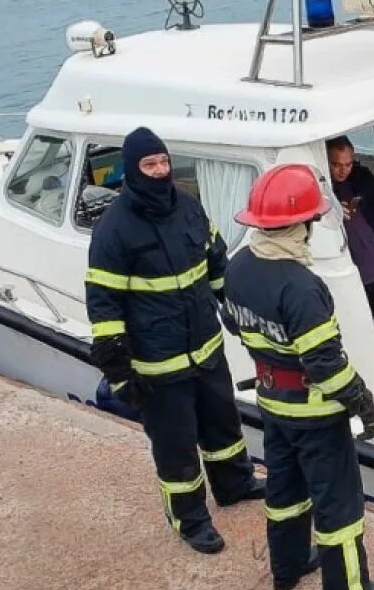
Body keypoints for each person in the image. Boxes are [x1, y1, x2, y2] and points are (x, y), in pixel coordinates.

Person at [221, 163, 374, 590]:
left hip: (272, 405)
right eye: (312, 221)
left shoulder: (238, 267)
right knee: (338, 505)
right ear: (298, 225)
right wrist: (362, 402)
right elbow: (325, 364)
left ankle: (288, 566)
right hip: (316, 415)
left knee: (283, 490)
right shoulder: (302, 286)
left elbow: (239, 327)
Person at [84, 126, 264, 555]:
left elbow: (216, 261)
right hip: (159, 365)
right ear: (132, 171)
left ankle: (235, 484)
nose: (160, 170)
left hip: (206, 348)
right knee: (176, 447)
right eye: (150, 165)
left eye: (164, 162)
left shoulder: (188, 207)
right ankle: (189, 519)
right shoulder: (113, 231)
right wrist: (119, 371)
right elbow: (104, 306)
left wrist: (233, 309)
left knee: (224, 426)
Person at [326, 136, 374, 328]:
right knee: (354, 322)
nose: (342, 170)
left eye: (348, 164)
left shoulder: (363, 177)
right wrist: (331, 211)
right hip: (344, 268)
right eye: (336, 164)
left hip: (372, 262)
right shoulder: (322, 188)